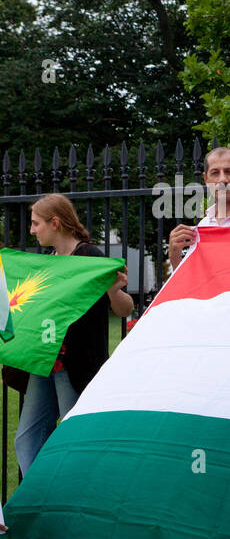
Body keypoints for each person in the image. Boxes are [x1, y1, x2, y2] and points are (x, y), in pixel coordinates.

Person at [15, 194, 135, 474]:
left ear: (54, 223)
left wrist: (113, 289)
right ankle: (35, 500)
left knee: (72, 435)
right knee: (27, 437)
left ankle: (69, 500)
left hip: (77, 363)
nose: (32, 230)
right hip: (44, 362)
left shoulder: (89, 257)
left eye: (35, 224)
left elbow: (123, 308)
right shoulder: (48, 260)